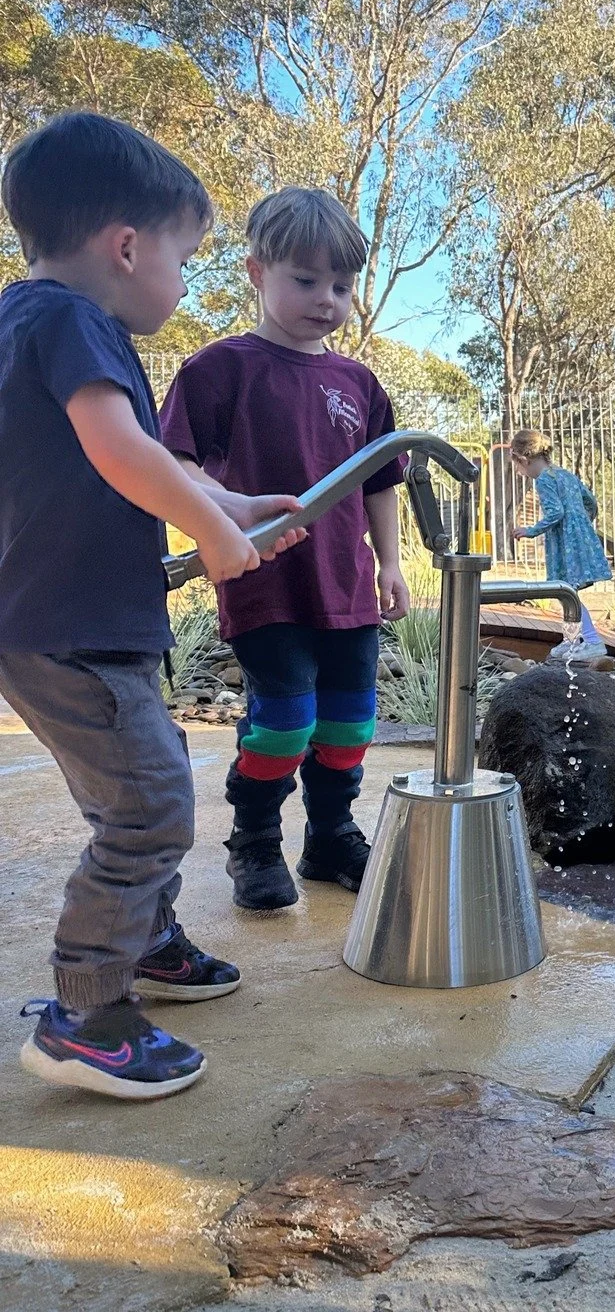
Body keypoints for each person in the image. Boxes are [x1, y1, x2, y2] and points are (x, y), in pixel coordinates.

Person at [0, 112, 306, 1098]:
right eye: (185, 257)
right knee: (148, 810)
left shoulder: (32, 321)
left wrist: (230, 503)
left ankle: (148, 940)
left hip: (65, 622)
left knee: (144, 780)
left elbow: (137, 461)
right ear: (126, 247)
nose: (184, 282)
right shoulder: (72, 322)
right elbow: (122, 452)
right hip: (72, 627)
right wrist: (216, 538)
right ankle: (86, 1013)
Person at [159, 188, 408, 912]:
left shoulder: (358, 382)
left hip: (347, 584)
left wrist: (390, 564)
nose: (326, 298)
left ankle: (330, 836)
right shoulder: (218, 370)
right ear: (255, 273)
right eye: (306, 280)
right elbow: (175, 464)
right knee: (283, 723)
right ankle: (256, 842)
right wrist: (218, 519)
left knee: (349, 724)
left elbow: (381, 481)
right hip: (263, 583)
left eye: (342, 284)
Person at [508, 429, 614, 657]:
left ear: (524, 460)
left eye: (517, 466)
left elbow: (555, 512)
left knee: (566, 591)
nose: (519, 471)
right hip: (579, 537)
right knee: (566, 590)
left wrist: (531, 531)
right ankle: (571, 638)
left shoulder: (543, 480)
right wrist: (582, 524)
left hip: (565, 542)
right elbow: (591, 502)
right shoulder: (564, 474)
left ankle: (592, 641)